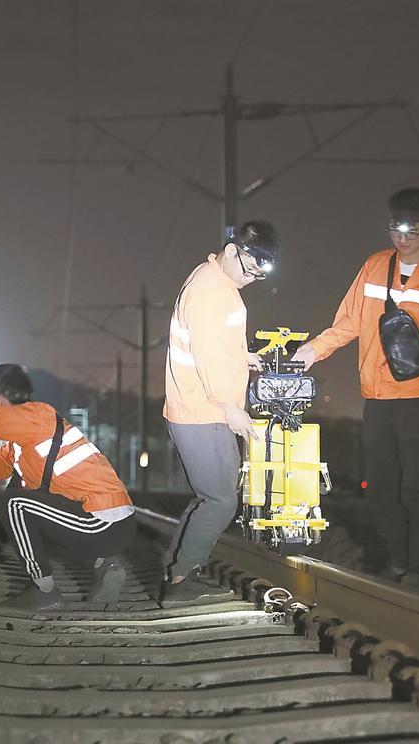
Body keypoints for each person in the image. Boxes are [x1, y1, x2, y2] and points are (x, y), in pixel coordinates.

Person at [292, 188, 419, 590]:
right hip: (377, 397)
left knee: (417, 487)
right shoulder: (375, 267)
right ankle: (396, 558)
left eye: (412, 229)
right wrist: (313, 351)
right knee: (381, 487)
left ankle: (418, 567)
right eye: (395, 227)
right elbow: (349, 322)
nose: (402, 237)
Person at [0, 364, 136, 611]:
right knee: (28, 521)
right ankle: (106, 564)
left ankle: (44, 592)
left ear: (0, 401)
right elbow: (0, 461)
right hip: (109, 521)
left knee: (13, 502)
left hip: (102, 522)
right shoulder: (29, 431)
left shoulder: (35, 417)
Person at [161, 220, 278, 603]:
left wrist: (242, 358)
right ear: (231, 251)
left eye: (258, 275)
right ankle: (180, 581)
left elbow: (211, 342)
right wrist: (231, 408)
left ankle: (176, 571)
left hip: (200, 407)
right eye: (249, 269)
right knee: (221, 501)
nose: (251, 278)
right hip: (202, 411)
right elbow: (208, 356)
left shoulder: (216, 282)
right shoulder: (211, 292)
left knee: (208, 498)